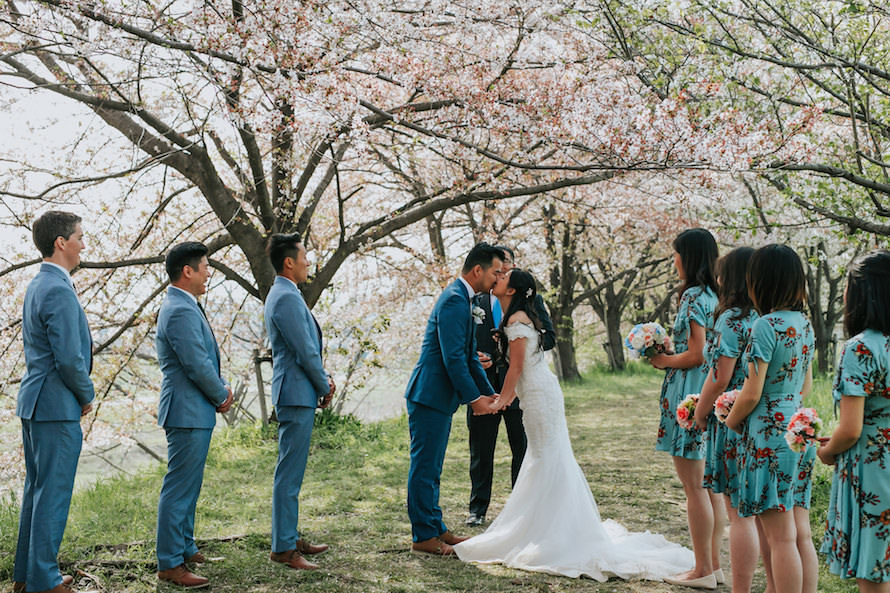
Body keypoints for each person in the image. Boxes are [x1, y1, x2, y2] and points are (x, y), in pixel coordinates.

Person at [454, 269, 694, 580]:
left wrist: (500, 401)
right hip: (542, 391)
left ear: (512, 291)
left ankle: (548, 531)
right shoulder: (520, 318)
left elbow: (514, 370)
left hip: (539, 395)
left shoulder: (516, 322)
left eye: (503, 277)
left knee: (544, 458)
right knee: (546, 457)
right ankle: (546, 524)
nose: (497, 277)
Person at [725, 244, 818, 593]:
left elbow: (752, 392)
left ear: (759, 282)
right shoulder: (805, 324)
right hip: (800, 427)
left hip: (768, 434)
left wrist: (732, 421)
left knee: (780, 538)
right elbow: (806, 385)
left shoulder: (765, 325)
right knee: (800, 533)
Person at [14, 211, 94, 593]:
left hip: (34, 402)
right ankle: (44, 580)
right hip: (55, 404)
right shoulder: (59, 288)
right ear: (61, 242)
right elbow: (68, 358)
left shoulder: (37, 285)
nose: (83, 244)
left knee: (37, 489)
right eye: (80, 236)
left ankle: (26, 577)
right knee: (53, 493)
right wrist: (86, 393)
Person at [405, 242, 502, 555]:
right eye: (495, 272)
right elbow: (453, 359)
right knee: (424, 469)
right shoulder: (453, 300)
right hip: (429, 396)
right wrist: (475, 401)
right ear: (478, 270)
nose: (498, 278)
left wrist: (489, 392)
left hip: (440, 398)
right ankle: (423, 537)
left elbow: (469, 357)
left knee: (434, 468)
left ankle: (436, 528)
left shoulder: (466, 299)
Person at [155, 241, 233, 588]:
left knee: (190, 484)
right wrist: (221, 394)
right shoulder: (180, 309)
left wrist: (221, 387)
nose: (208, 273)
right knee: (179, 487)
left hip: (193, 409)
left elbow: (204, 358)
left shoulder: (185, 305)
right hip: (187, 410)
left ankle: (184, 545)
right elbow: (196, 364)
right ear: (188, 271)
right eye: (205, 267)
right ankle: (170, 563)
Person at [649, 228, 720, 589]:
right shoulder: (714, 294)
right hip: (705, 387)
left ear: (688, 257)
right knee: (708, 485)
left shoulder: (692, 295)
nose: (673, 260)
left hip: (689, 391)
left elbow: (697, 353)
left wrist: (663, 360)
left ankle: (702, 569)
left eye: (675, 254)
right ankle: (715, 565)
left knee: (694, 486)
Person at [466, 245, 555, 527]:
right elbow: (463, 337)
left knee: (523, 448)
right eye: (497, 270)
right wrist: (477, 357)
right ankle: (477, 508)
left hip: (520, 389)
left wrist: (512, 348)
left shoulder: (530, 303)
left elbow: (549, 338)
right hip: (483, 385)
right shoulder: (475, 301)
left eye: (505, 270)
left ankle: (522, 505)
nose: (500, 275)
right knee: (481, 450)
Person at [693, 247, 765, 593]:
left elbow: (720, 376)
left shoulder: (731, 319)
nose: (717, 280)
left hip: (732, 415)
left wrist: (700, 411)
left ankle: (741, 589)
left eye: (722, 274)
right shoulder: (764, 317)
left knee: (739, 513)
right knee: (758, 515)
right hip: (761, 418)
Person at [818, 250, 890, 593]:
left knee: (874, 567)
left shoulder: (861, 348)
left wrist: (827, 452)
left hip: (873, 469)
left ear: (863, 292)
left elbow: (850, 429)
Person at [264, 233, 335, 571]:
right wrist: (324, 385)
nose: (309, 262)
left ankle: (288, 537)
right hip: (295, 393)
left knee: (291, 471)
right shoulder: (286, 297)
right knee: (289, 474)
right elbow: (305, 351)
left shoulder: (286, 294)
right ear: (289, 262)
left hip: (296, 392)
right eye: (304, 256)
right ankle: (283, 548)